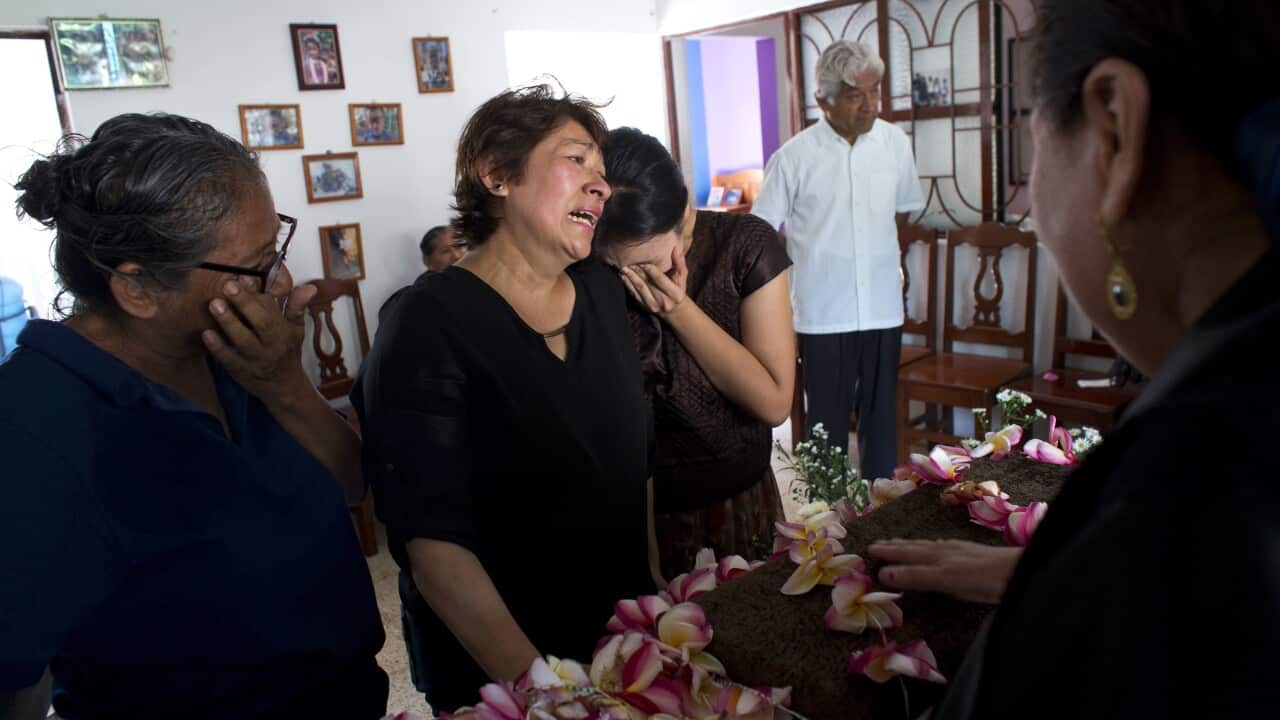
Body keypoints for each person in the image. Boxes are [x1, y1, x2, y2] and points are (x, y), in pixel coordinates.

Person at [868, 0, 1280, 715]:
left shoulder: (1189, 475)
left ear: (1115, 129)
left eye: (1033, 135)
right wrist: (1054, 572)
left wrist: (1098, 577)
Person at [0, 113, 387, 719]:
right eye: (257, 264)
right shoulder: (36, 428)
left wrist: (285, 384)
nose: (280, 279)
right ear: (139, 289)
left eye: (276, 247)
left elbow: (354, 483)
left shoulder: (238, 351)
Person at [352, 85, 660, 711]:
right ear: (496, 173)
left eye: (603, 175)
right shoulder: (426, 321)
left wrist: (650, 589)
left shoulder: (602, 291)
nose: (600, 186)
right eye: (577, 160)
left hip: (621, 644)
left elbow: (634, 464)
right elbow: (432, 543)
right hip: (504, 670)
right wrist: (544, 693)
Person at [593, 128, 795, 577]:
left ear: (682, 210)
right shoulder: (595, 265)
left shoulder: (746, 246)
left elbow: (775, 402)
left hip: (737, 501)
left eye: (648, 265)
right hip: (638, 507)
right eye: (616, 267)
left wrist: (679, 310)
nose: (633, 278)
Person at [752, 39, 925, 482]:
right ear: (822, 100)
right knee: (825, 422)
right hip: (822, 312)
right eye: (855, 95)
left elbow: (902, 211)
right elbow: (758, 234)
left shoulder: (894, 144)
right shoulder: (792, 158)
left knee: (880, 415)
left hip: (884, 305)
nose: (870, 105)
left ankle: (880, 507)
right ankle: (823, 524)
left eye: (875, 91)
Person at [377, 226, 469, 326]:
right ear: (427, 261)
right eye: (445, 251)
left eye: (459, 246)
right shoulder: (426, 293)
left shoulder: (469, 280)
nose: (456, 256)